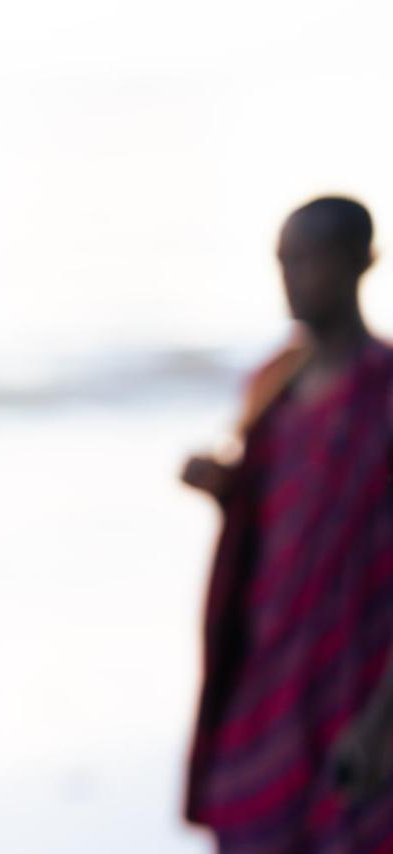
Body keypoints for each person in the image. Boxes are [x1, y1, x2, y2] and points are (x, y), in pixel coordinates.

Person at [183, 196, 393, 851]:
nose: (292, 275)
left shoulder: (385, 391)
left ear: (362, 262)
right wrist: (225, 491)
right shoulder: (272, 384)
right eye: (284, 260)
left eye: (308, 259)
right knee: (251, 815)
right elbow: (274, 522)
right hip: (270, 670)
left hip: (359, 673)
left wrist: (383, 721)